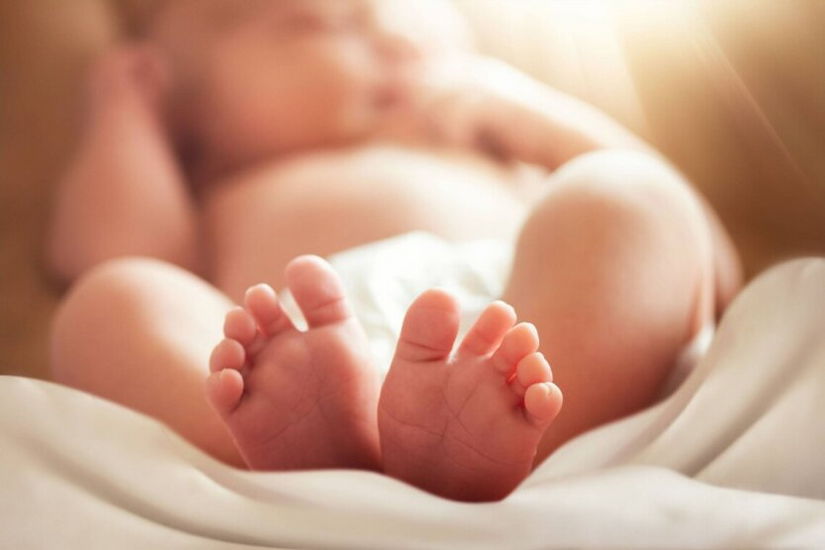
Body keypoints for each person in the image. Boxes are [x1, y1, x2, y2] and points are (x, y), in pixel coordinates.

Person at [47, 0, 742, 502]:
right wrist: (124, 105)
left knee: (629, 191)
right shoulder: (222, 186)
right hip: (290, 360)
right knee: (112, 296)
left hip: (524, 323)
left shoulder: (494, 147)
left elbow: (709, 269)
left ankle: (518, 437)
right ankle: (281, 450)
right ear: (189, 111)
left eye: (426, 28)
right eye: (323, 22)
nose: (400, 43)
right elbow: (105, 252)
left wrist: (530, 114)